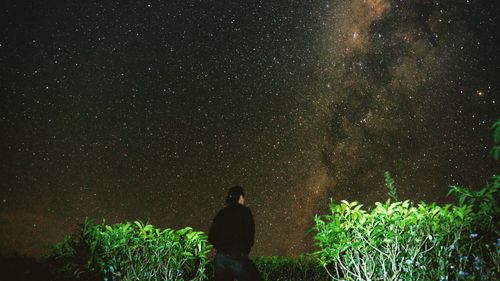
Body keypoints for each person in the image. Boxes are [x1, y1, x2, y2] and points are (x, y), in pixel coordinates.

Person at [208, 186, 263, 281]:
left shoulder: (221, 213)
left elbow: (211, 236)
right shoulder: (244, 211)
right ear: (240, 197)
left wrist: (222, 247)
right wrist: (243, 250)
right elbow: (249, 234)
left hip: (220, 258)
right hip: (237, 255)